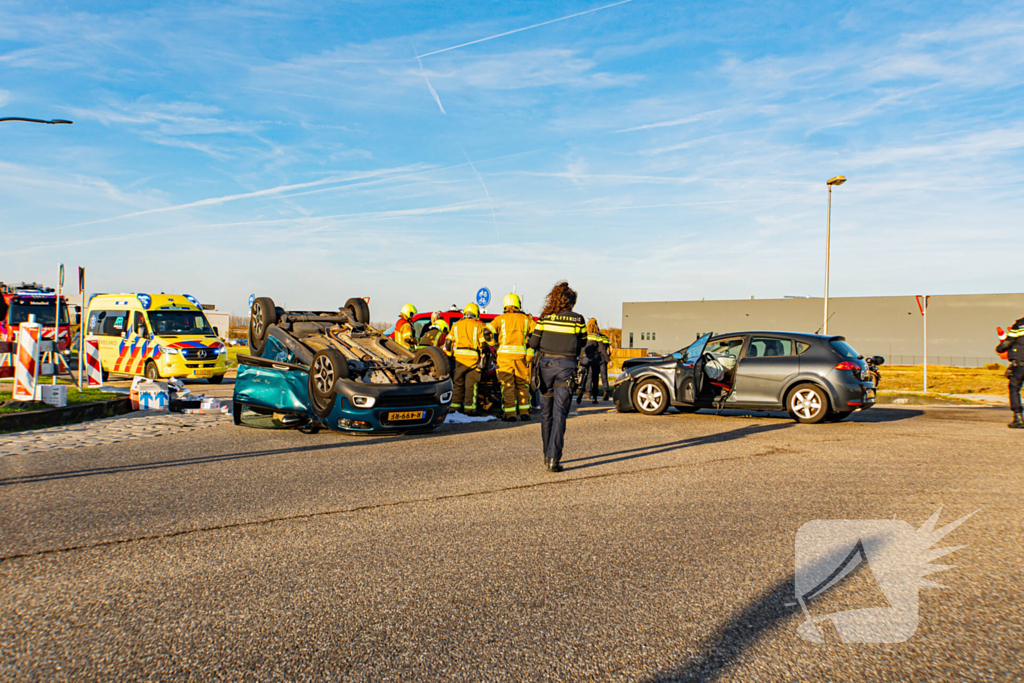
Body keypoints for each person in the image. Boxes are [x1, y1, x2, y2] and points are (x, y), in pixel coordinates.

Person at [527, 281, 587, 472]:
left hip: (545, 368)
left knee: (546, 413)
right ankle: (554, 459)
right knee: (560, 413)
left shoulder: (545, 319)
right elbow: (582, 344)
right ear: (571, 302)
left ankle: (546, 454)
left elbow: (534, 343)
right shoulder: (578, 320)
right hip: (566, 368)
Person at [486, 293, 536, 422]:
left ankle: (510, 415)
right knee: (522, 385)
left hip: (504, 357)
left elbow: (486, 332)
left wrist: (494, 345)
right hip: (521, 357)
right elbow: (537, 335)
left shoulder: (500, 319)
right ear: (518, 304)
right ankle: (525, 413)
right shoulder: (526, 319)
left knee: (507, 386)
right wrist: (530, 350)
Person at [447, 303, 488, 415]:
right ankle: (469, 409)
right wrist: (483, 355)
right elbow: (484, 345)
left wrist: (450, 353)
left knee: (458, 384)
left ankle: (454, 407)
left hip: (459, 358)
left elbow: (448, 341)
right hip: (473, 358)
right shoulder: (478, 326)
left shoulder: (456, 325)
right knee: (471, 385)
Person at [997, 312, 1024, 428]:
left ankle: (1018, 417)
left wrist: (1000, 348)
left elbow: (1008, 342)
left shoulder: (1019, 324)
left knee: (1014, 388)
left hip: (1020, 364)